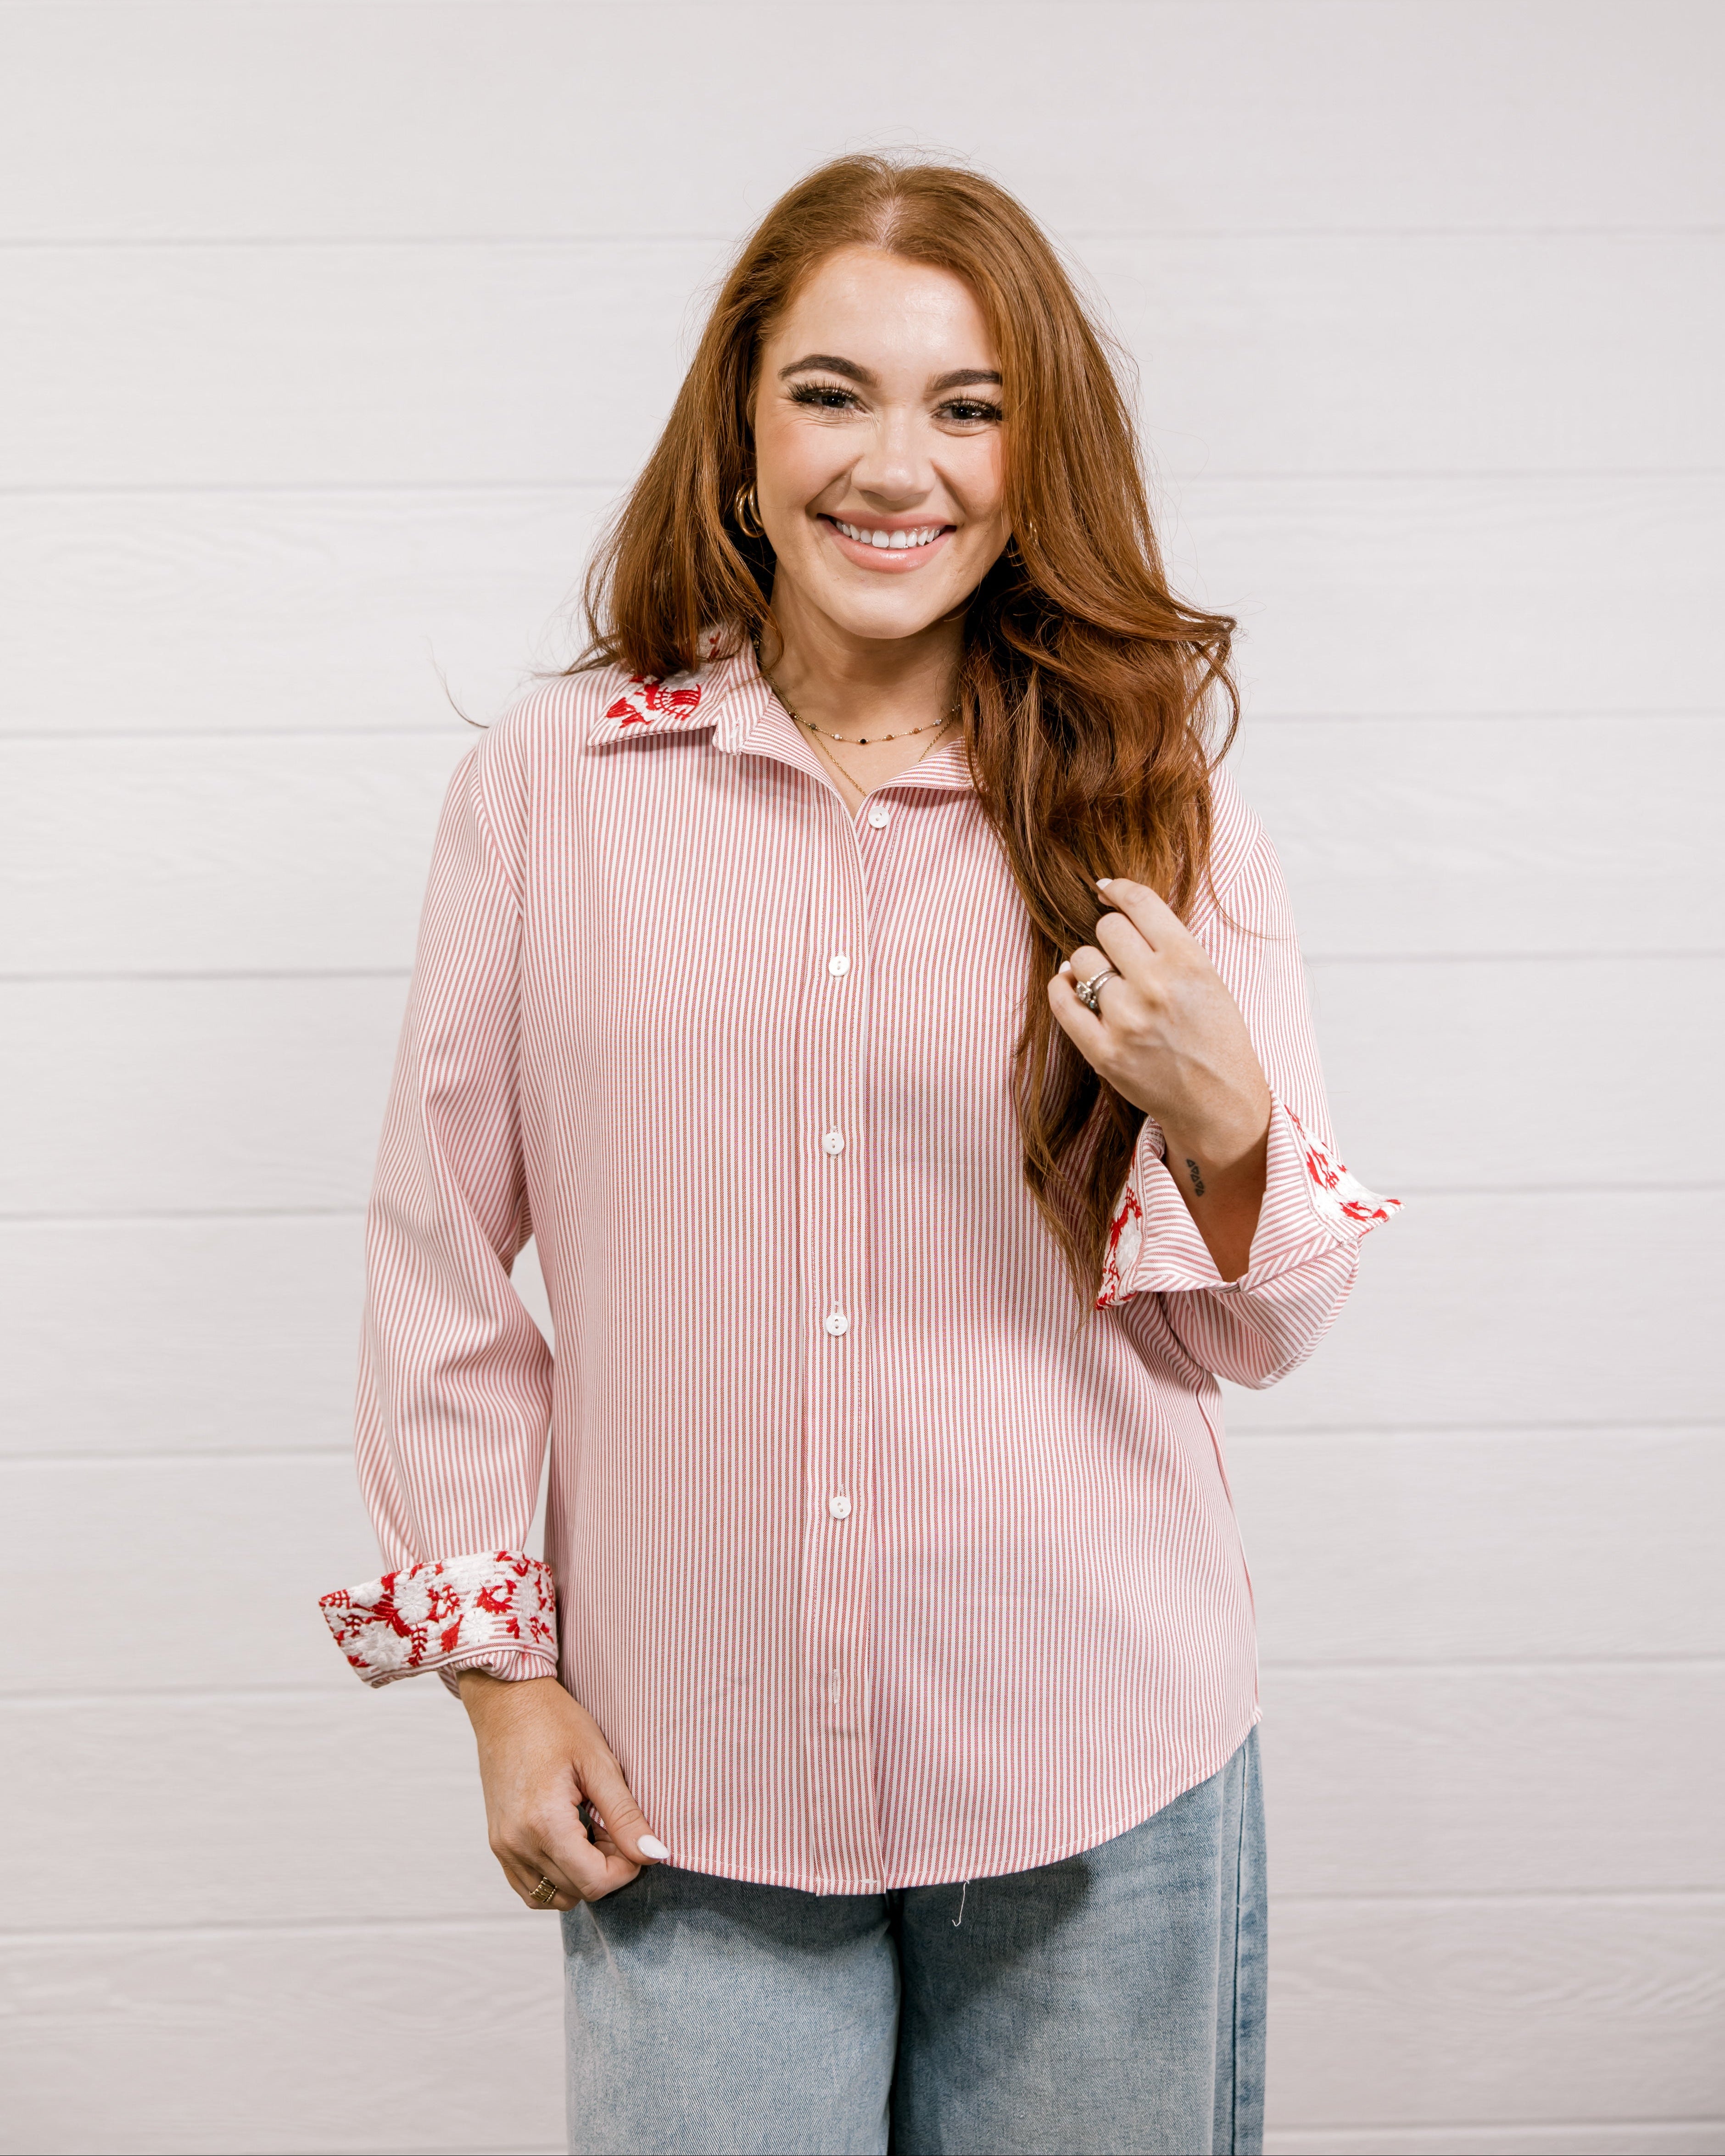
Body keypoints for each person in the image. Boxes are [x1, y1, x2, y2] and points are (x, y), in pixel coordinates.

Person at [318, 153, 1398, 2156]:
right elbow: (439, 1254)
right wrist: (502, 1681)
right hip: (684, 1784)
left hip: (1102, 1762)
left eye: (966, 406)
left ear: (1028, 453)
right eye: (832, 392)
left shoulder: (1150, 790)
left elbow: (1272, 1327)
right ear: (739, 433)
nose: (894, 465)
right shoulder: (557, 783)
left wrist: (1225, 1105)